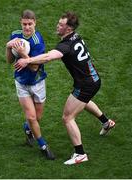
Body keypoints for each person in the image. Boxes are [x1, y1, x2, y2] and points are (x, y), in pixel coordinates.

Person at [15, 11, 115, 165]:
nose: (57, 25)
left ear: (68, 29)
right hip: (94, 79)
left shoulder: (65, 45)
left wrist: (26, 60)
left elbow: (48, 57)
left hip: (85, 84)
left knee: (67, 117)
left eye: (61, 25)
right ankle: (106, 122)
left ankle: (80, 154)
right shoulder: (76, 37)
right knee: (83, 100)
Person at [6, 9, 55, 160]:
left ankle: (27, 128)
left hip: (37, 82)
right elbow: (9, 61)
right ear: (21, 22)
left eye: (30, 24)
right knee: (31, 117)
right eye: (24, 24)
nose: (27, 27)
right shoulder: (15, 35)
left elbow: (34, 68)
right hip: (21, 82)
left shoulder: (37, 41)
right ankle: (43, 146)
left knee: (37, 117)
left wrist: (22, 53)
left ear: (35, 23)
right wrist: (8, 46)